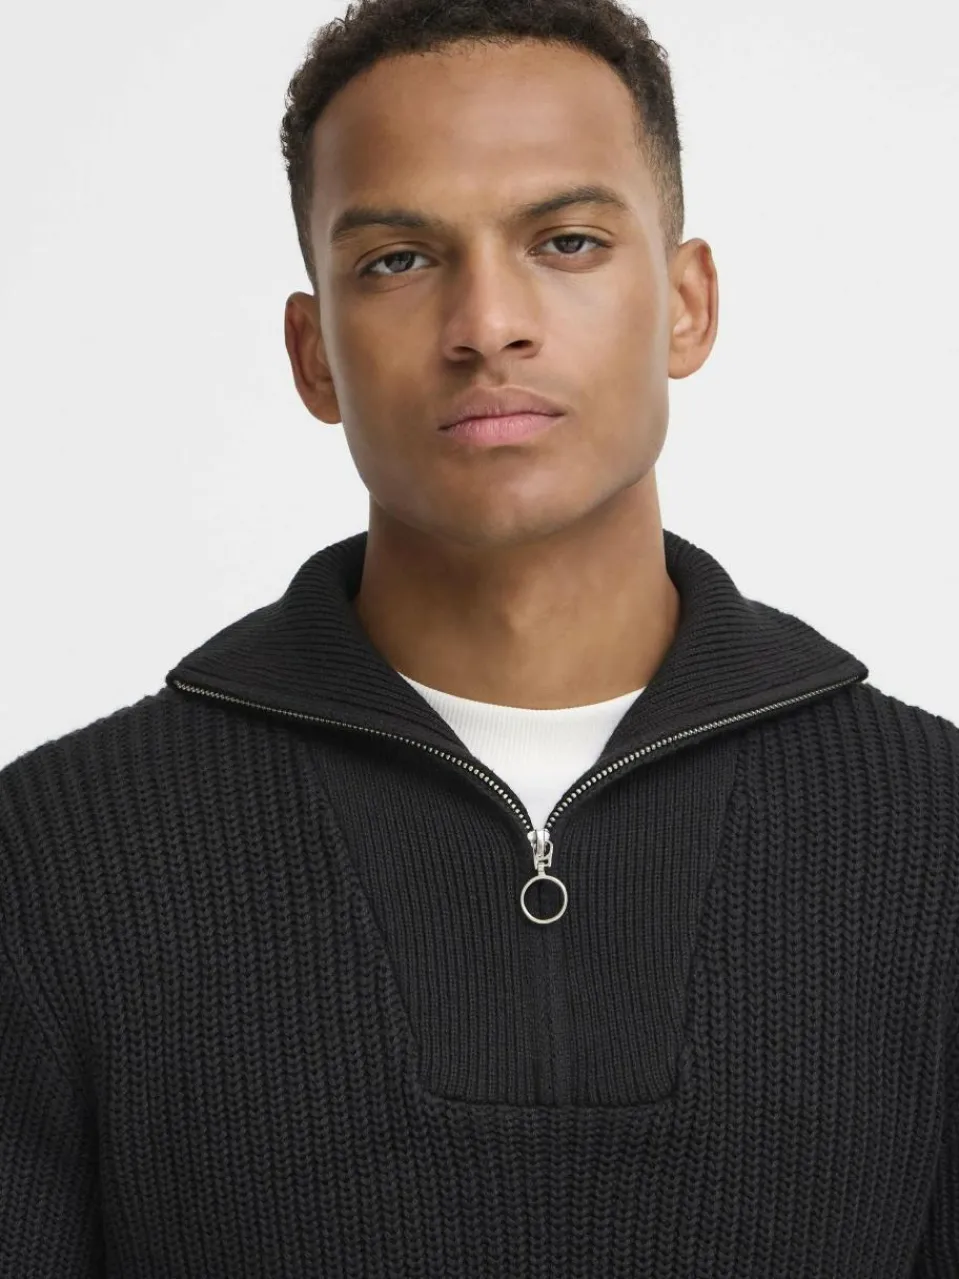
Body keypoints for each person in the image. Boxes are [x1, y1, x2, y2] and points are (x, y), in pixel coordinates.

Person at [2, 1, 956, 1274]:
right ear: (313, 355)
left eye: (565, 241)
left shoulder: (932, 836)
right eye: (399, 259)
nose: (487, 322)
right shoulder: (57, 856)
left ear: (684, 305)